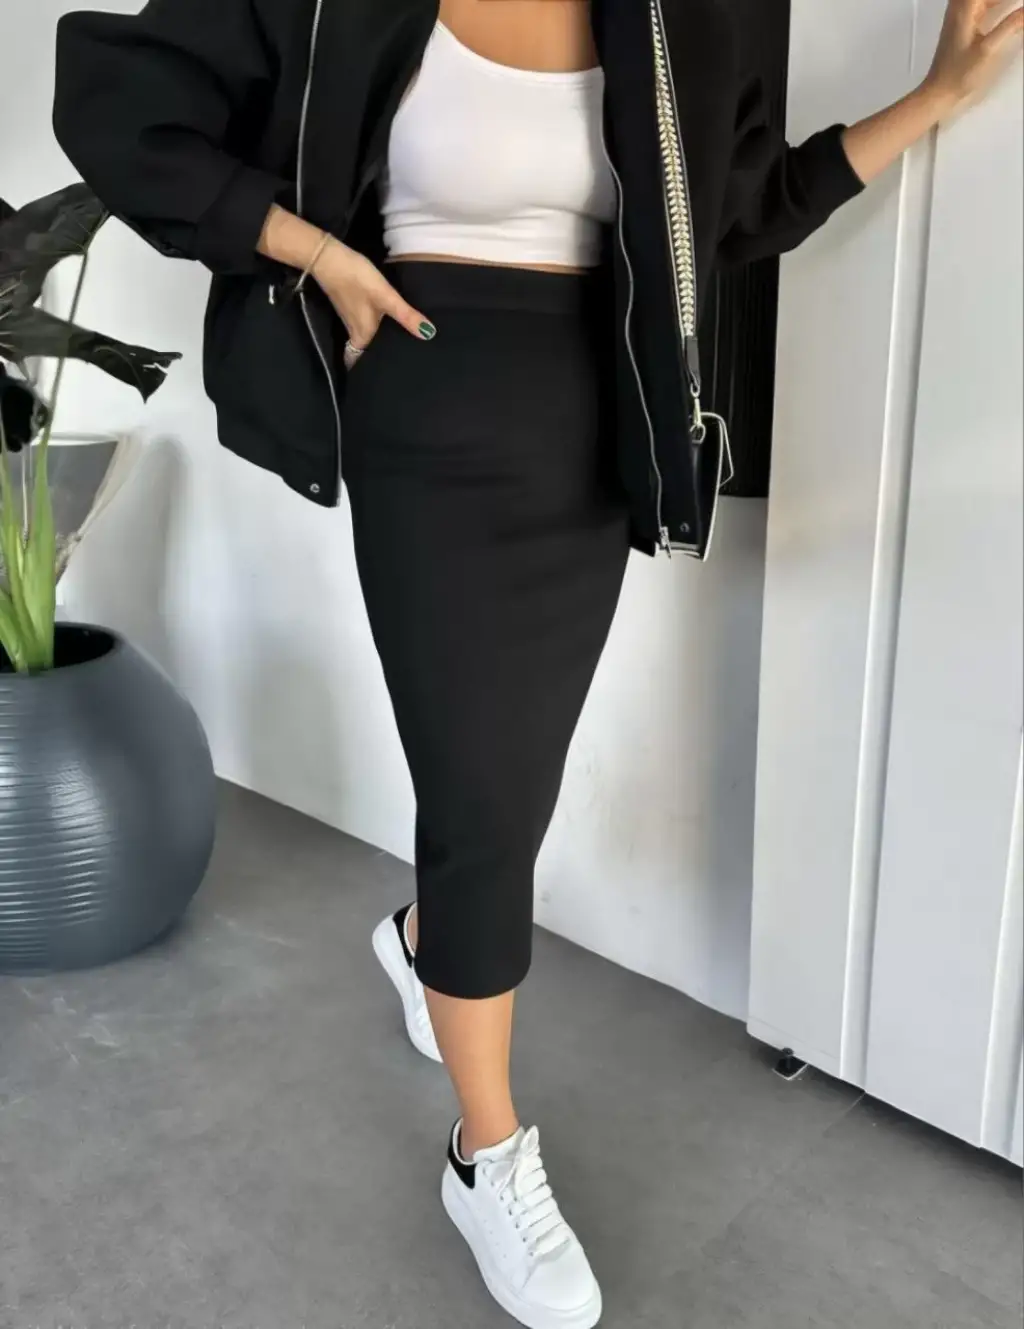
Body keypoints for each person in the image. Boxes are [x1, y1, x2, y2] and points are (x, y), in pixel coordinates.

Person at [52, 1, 1022, 1325]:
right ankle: (486, 1151)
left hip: (587, 443)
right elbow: (115, 103)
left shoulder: (686, 16)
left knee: (514, 784)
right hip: (422, 419)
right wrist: (317, 251)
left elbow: (744, 213)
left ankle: (422, 943)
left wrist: (936, 97)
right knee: (481, 807)